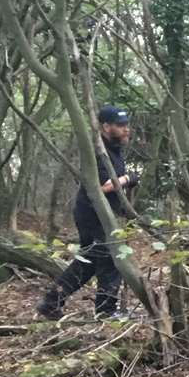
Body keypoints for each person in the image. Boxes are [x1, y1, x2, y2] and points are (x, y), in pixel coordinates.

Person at [36, 104, 139, 320]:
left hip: (98, 212)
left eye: (126, 124)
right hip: (93, 213)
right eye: (120, 125)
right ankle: (106, 312)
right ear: (106, 126)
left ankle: (51, 302)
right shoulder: (97, 151)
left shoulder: (113, 151)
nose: (126, 129)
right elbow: (103, 186)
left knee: (89, 261)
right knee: (111, 258)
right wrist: (129, 179)